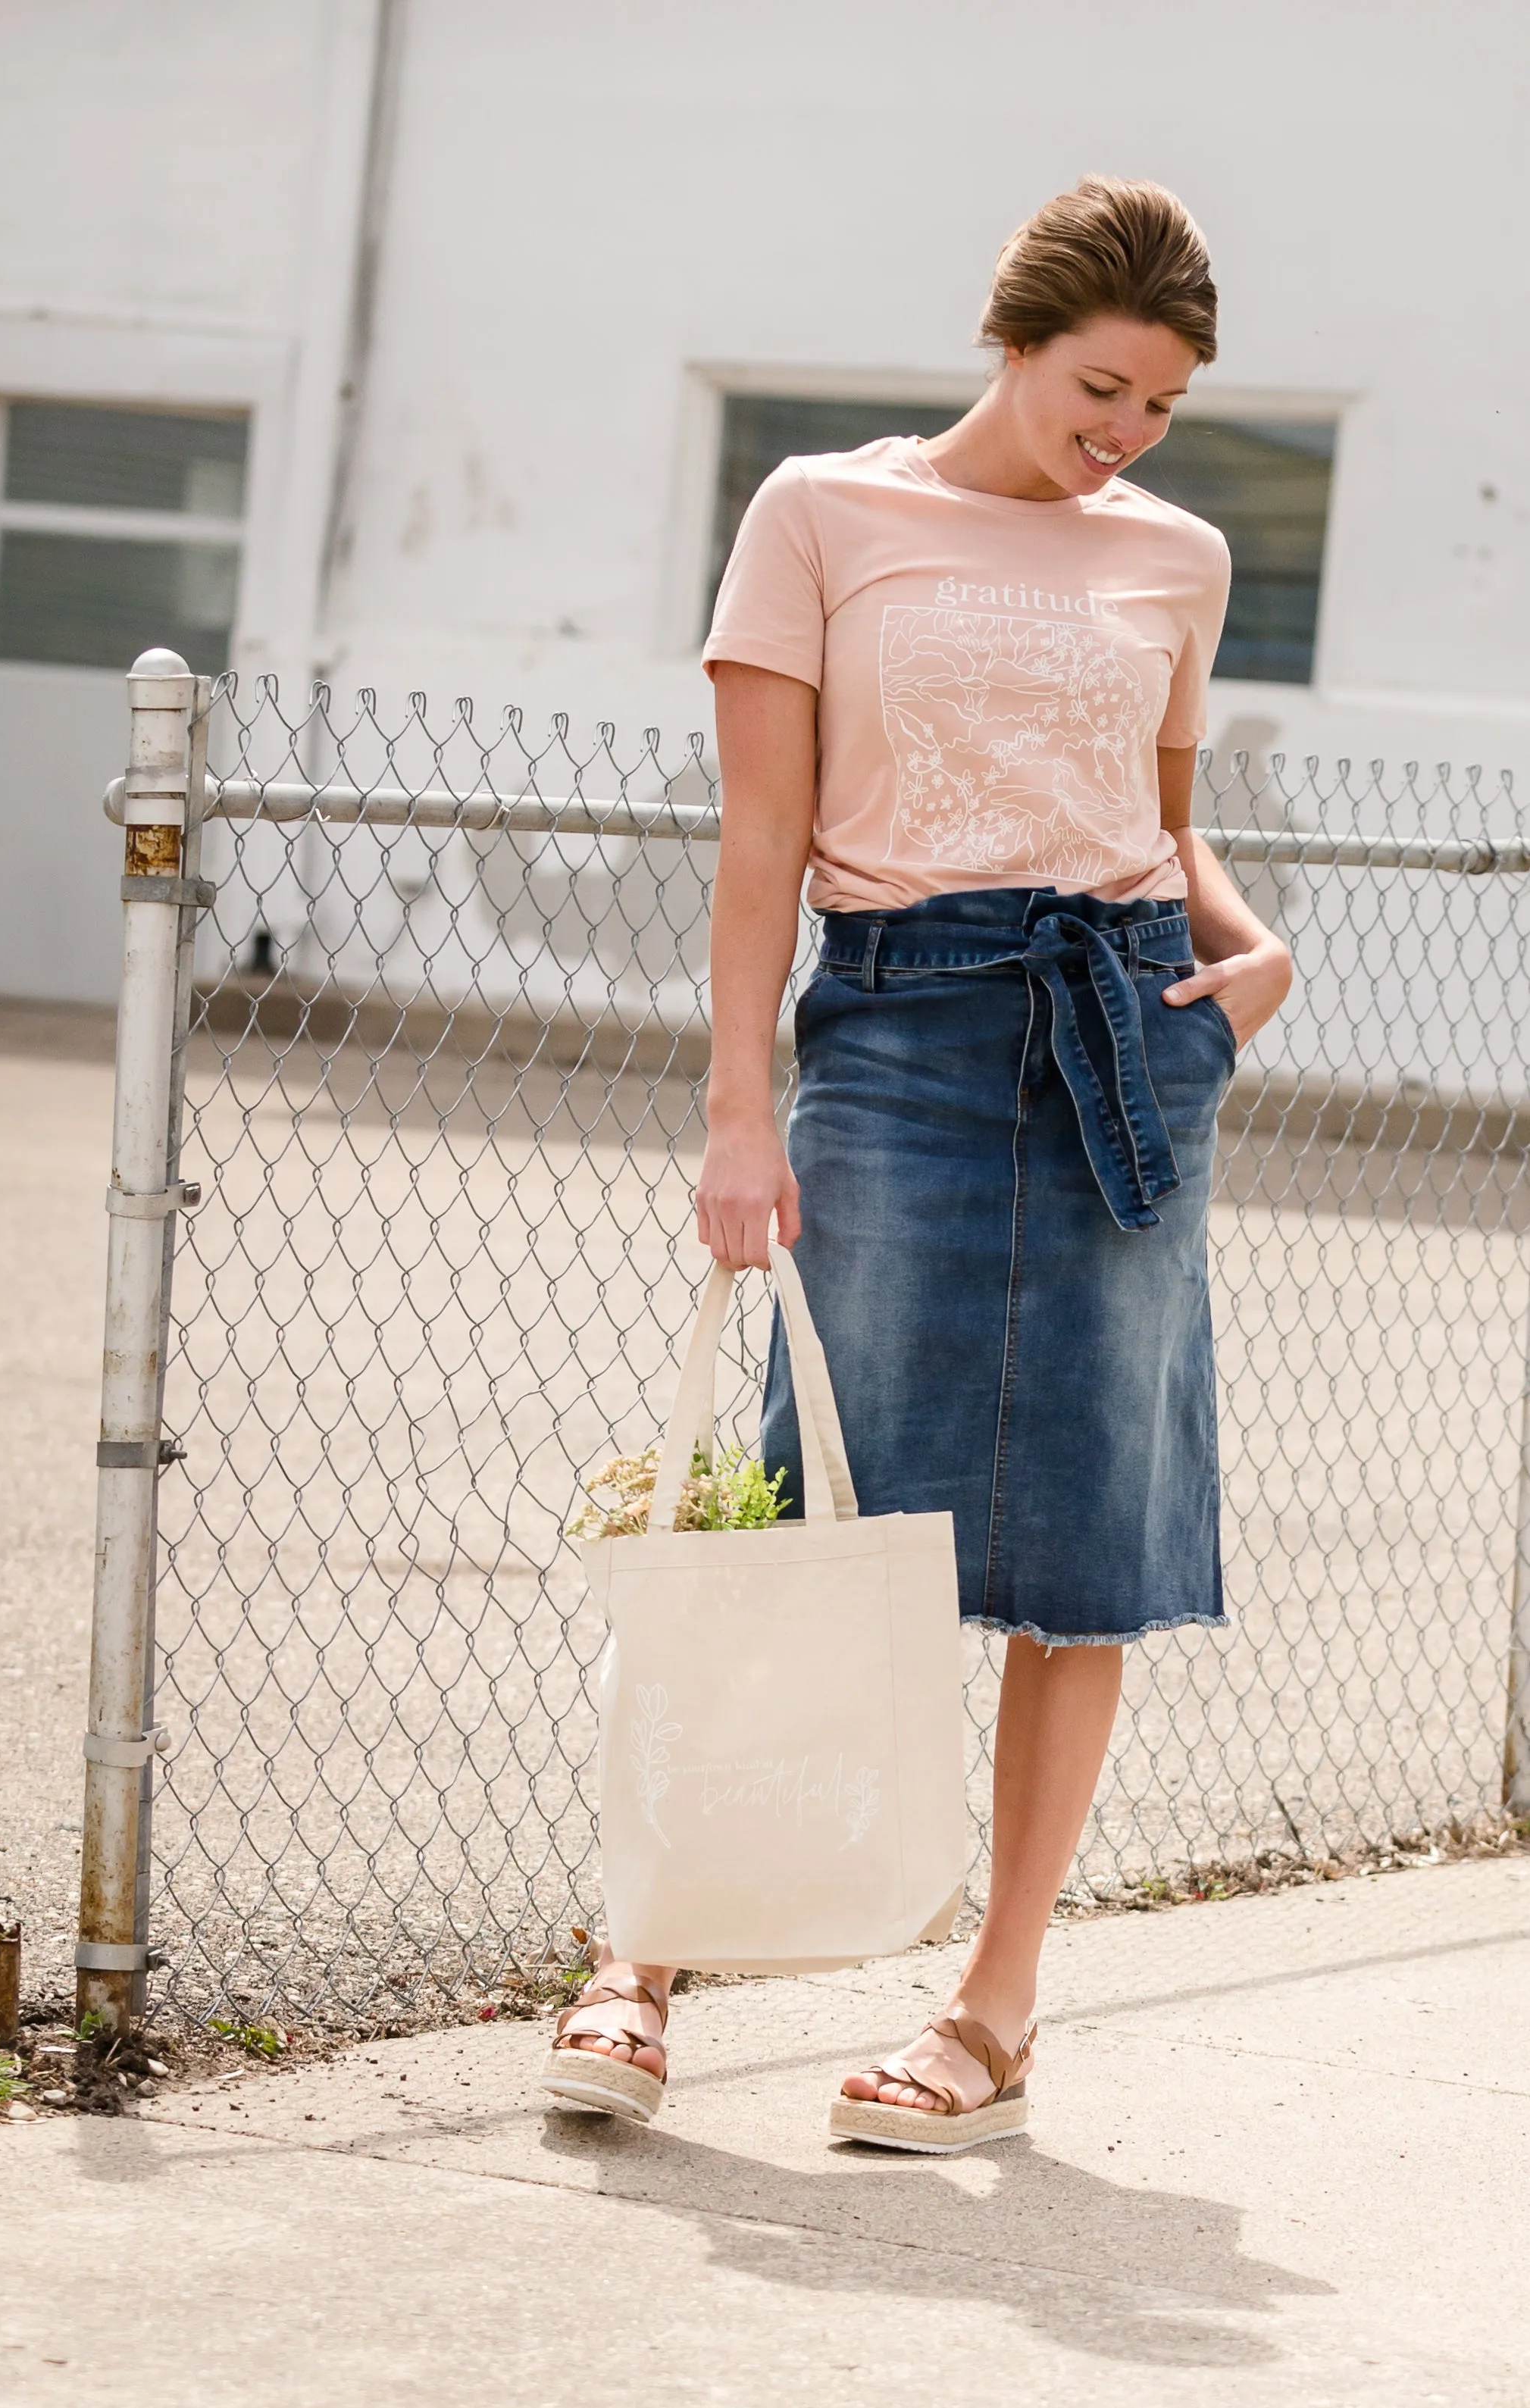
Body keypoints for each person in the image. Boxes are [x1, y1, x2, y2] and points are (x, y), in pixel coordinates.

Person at [543, 175, 1291, 2149]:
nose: (1121, 433)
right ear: (1015, 336)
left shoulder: (1179, 557)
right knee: (802, 1501)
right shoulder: (821, 515)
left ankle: (994, 2008)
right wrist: (732, 1105)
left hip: (1125, 1034)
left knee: (1086, 1538)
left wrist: (1245, 952)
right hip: (894, 1025)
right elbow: (759, 840)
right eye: (1098, 386)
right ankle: (643, 1951)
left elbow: (1153, 812)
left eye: (1156, 407)